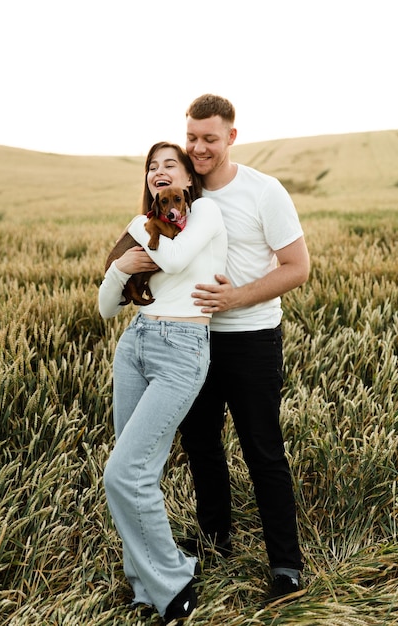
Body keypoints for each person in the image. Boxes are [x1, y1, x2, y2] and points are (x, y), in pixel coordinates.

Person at [178, 94, 310, 603]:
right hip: (191, 341)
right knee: (201, 445)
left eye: (209, 138)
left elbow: (297, 267)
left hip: (253, 341)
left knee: (263, 449)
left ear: (231, 137)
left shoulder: (263, 191)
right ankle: (216, 540)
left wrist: (234, 298)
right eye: (192, 136)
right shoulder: (180, 190)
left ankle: (285, 565)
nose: (198, 147)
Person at [99, 141, 227, 624]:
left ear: (187, 182)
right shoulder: (148, 227)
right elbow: (106, 307)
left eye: (170, 165)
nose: (160, 172)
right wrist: (119, 267)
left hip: (182, 348)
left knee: (122, 474)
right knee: (140, 474)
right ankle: (143, 582)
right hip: (135, 343)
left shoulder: (205, 214)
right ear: (151, 188)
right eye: (152, 167)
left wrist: (137, 235)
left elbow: (171, 262)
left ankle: (173, 583)